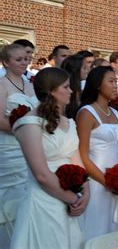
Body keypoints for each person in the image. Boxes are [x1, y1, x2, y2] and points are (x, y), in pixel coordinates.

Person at [11, 67, 89, 249]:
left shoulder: (68, 121)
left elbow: (76, 161)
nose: (71, 91)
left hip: (71, 199)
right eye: (66, 87)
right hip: (44, 201)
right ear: (52, 91)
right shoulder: (29, 123)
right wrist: (71, 198)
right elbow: (41, 174)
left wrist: (86, 192)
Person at [77, 66, 118, 240]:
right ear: (98, 85)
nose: (115, 86)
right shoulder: (86, 113)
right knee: (96, 228)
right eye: (111, 81)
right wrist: (107, 182)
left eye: (116, 81)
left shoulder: (116, 113)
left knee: (113, 229)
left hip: (116, 181)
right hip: (96, 180)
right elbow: (82, 155)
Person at [0, 44, 38, 248]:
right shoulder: (1, 85)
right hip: (8, 148)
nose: (24, 62)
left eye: (26, 59)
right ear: (6, 62)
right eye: (19, 60)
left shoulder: (30, 84)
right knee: (10, 195)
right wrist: (23, 131)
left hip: (30, 147)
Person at [61, 54, 88, 119]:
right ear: (75, 70)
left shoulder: (82, 92)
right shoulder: (66, 93)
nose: (87, 71)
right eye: (84, 68)